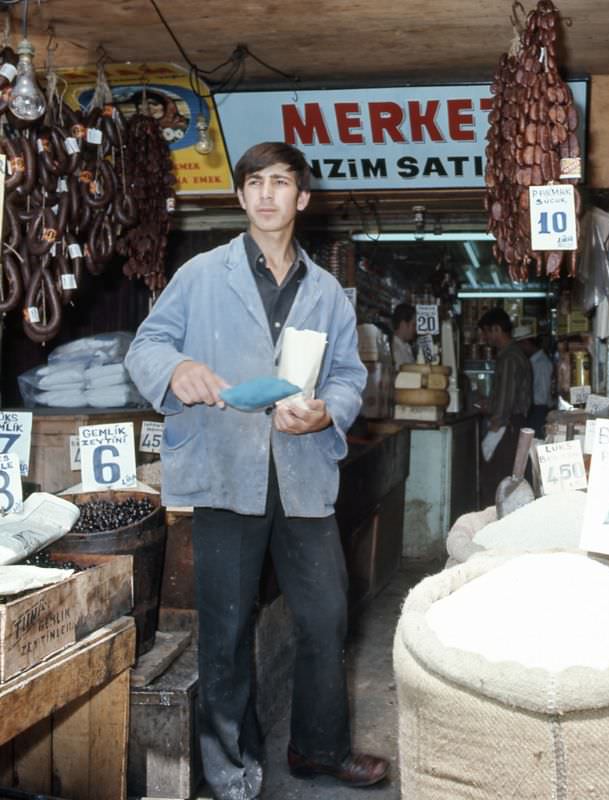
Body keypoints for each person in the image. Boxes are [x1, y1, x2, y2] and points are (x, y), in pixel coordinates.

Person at [124, 141, 389, 799]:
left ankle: (317, 751)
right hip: (224, 470)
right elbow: (147, 346)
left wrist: (328, 412)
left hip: (301, 476)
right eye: (255, 183)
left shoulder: (327, 292)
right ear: (241, 197)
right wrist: (177, 370)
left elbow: (351, 376)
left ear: (302, 198)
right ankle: (229, 770)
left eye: (281, 182)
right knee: (226, 627)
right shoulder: (201, 275)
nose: (267, 194)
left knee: (326, 615)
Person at [477, 308, 533, 508]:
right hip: (513, 425)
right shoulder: (513, 354)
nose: (485, 338)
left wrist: (495, 424)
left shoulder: (509, 357)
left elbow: (506, 401)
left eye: (486, 332)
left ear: (497, 329)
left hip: (508, 427)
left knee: (496, 480)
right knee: (508, 478)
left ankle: (493, 528)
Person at [516, 331, 553, 439]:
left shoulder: (541, 363)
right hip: (534, 410)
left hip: (539, 411)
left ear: (526, 343)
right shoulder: (532, 362)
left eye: (520, 346)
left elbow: (542, 396)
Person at [391, 303, 416, 367]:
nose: (415, 329)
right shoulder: (395, 350)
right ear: (403, 325)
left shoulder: (406, 346)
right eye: (413, 325)